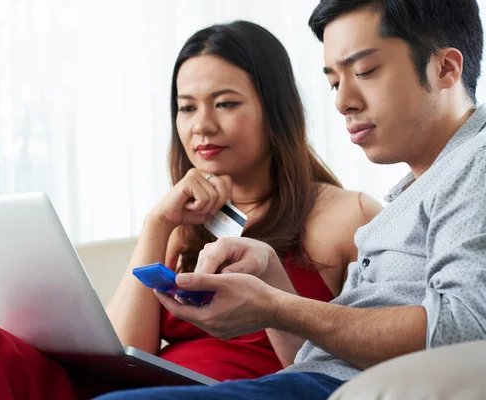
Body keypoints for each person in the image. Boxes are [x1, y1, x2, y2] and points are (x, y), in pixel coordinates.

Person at [0, 21, 376, 400]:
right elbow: (125, 354)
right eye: (186, 108)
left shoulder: (343, 215)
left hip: (224, 393)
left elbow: (360, 361)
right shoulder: (183, 222)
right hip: (132, 390)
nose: (202, 125)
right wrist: (157, 224)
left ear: (277, 110)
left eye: (225, 104)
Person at [91, 0, 486, 399]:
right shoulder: (410, 195)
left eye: (365, 71)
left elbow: (463, 330)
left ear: (446, 69)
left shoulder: (476, 161)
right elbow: (323, 360)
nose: (342, 101)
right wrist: (271, 280)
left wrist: (275, 307)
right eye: (334, 81)